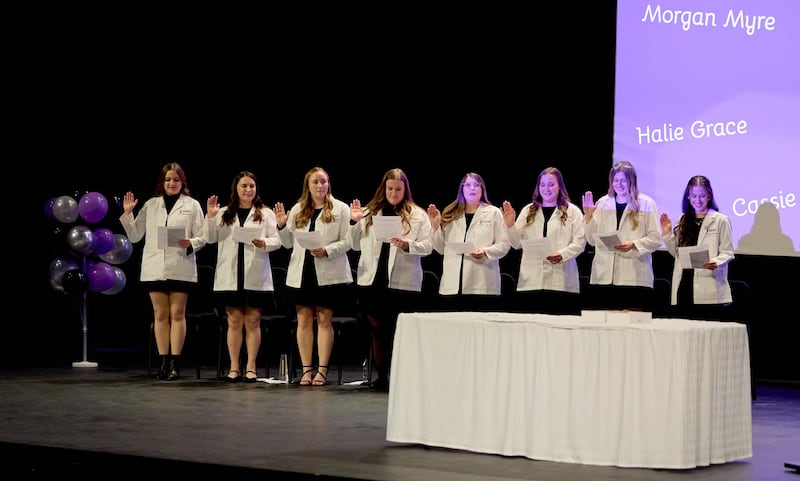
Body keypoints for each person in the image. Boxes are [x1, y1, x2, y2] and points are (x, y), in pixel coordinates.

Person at [120, 162, 206, 381]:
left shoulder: (192, 204)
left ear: (182, 182)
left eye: (176, 180)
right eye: (168, 180)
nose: (172, 183)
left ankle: (175, 364)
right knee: (160, 314)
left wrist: (192, 242)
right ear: (162, 182)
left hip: (180, 266)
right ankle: (163, 362)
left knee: (177, 314)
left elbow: (203, 235)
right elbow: (135, 236)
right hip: (155, 267)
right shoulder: (151, 205)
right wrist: (128, 214)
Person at [350, 168, 433, 391]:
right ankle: (382, 378)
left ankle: (401, 378)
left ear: (405, 189)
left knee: (398, 329)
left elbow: (428, 246)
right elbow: (354, 243)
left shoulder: (417, 214)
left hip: (402, 282)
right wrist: (354, 222)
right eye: (390, 189)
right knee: (378, 329)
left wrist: (408, 245)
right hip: (373, 279)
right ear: (383, 189)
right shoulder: (370, 212)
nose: (393, 193)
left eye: (398, 189)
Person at [273, 167, 353, 386]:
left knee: (324, 320)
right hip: (302, 272)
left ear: (329, 184)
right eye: (316, 182)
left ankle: (322, 371)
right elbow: (287, 243)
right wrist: (280, 225)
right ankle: (307, 370)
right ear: (307, 186)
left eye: (324, 182)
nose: (320, 186)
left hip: (327, 271)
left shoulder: (341, 208)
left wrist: (327, 250)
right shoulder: (298, 209)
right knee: (304, 320)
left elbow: (349, 242)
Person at [203, 171, 281, 383]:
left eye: (251, 186)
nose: (248, 190)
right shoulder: (223, 213)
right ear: (236, 189)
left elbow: (277, 240)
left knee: (253, 321)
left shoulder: (265, 213)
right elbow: (209, 238)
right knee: (234, 321)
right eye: (244, 186)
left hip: (254, 273)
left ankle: (251, 366)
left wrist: (264, 243)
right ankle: (235, 366)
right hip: (230, 273)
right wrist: (210, 217)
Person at [502, 167, 586, 315]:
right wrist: (509, 225)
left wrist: (562, 254)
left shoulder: (573, 211)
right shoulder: (528, 210)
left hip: (561, 282)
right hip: (531, 281)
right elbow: (516, 244)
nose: (546, 189)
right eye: (542, 185)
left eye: (551, 184)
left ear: (559, 186)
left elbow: (579, 243)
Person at [581, 160, 661, 311]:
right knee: (605, 327)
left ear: (632, 181)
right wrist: (588, 217)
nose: (619, 184)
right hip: (604, 277)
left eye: (623, 180)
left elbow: (655, 239)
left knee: (632, 325)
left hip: (634, 277)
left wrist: (634, 244)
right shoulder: (602, 203)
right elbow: (591, 241)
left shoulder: (646, 203)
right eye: (616, 180)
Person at [427, 172, 510, 312]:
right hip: (452, 286)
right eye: (468, 185)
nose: (472, 189)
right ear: (462, 189)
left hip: (481, 285)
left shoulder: (493, 212)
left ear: (482, 189)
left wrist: (485, 251)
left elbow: (504, 245)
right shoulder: (451, 214)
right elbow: (442, 249)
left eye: (476, 185)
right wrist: (435, 227)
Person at [660, 175, 734, 320]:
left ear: (709, 196)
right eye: (694, 196)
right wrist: (667, 233)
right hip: (684, 287)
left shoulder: (720, 220)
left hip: (709, 288)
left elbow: (728, 252)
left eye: (702, 196)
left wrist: (716, 262)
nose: (698, 200)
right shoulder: (682, 220)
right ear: (688, 196)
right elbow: (677, 253)